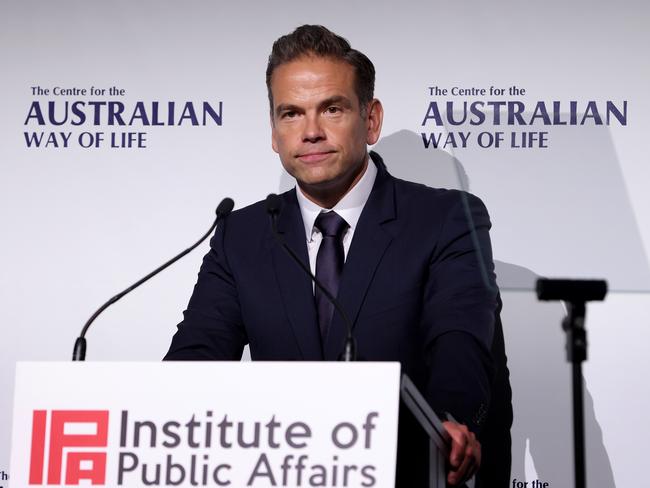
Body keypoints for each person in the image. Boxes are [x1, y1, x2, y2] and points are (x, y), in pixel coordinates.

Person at [165, 25, 511, 487]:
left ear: (370, 120)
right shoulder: (242, 234)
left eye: (331, 108)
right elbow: (197, 357)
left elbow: (460, 339)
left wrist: (449, 421)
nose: (310, 132)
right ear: (273, 132)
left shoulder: (445, 218)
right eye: (290, 113)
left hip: (407, 472)